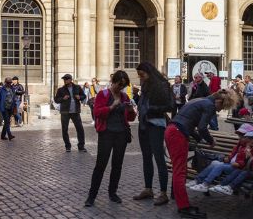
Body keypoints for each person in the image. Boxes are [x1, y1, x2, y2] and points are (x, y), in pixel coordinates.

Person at [164, 90, 236, 218]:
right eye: (221, 107)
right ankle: (184, 207)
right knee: (180, 171)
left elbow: (189, 124)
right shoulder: (209, 106)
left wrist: (199, 139)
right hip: (178, 134)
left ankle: (183, 204)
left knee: (179, 170)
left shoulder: (199, 100)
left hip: (173, 130)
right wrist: (210, 141)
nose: (219, 111)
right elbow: (202, 127)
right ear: (218, 101)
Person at [84, 70, 137, 207]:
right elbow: (97, 113)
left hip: (121, 134)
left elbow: (130, 118)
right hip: (106, 134)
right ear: (113, 82)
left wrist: (131, 110)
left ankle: (112, 192)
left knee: (117, 165)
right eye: (119, 85)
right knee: (100, 165)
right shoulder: (103, 94)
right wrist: (112, 106)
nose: (121, 88)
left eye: (123, 86)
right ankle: (91, 196)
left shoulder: (125, 97)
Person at [132, 61, 173, 206]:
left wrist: (151, 109)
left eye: (142, 74)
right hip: (143, 124)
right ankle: (148, 189)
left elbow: (170, 105)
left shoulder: (162, 84)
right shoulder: (145, 84)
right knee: (146, 158)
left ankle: (163, 193)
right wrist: (137, 97)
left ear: (149, 72)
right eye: (139, 75)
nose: (140, 77)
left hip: (155, 124)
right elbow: (144, 103)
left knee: (159, 158)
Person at [209, 125, 253, 196]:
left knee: (245, 172)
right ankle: (222, 185)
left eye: (252, 138)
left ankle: (230, 187)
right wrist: (247, 157)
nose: (250, 141)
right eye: (249, 138)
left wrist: (250, 157)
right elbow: (247, 162)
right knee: (239, 170)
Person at [189, 123, 252, 192]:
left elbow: (247, 161)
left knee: (220, 165)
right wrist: (228, 159)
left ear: (249, 137)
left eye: (242, 136)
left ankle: (205, 184)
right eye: (239, 136)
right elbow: (233, 155)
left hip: (236, 168)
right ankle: (197, 180)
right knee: (214, 162)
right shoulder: (240, 144)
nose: (240, 138)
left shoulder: (249, 147)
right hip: (230, 164)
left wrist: (239, 164)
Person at [54, 73, 86, 151]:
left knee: (80, 129)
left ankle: (81, 146)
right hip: (65, 112)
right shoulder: (61, 89)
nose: (65, 80)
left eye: (66, 79)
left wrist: (80, 97)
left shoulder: (77, 87)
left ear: (70, 80)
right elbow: (56, 100)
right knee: (64, 130)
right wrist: (63, 98)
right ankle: (67, 146)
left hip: (75, 112)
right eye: (64, 79)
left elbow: (84, 96)